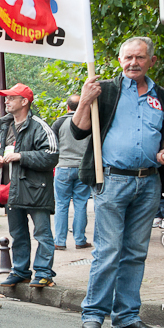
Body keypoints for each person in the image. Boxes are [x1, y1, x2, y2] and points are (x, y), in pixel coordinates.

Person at [73, 36, 164, 328]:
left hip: (148, 183)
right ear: (120, 60)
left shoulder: (163, 96)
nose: (133, 63)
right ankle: (93, 312)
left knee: (135, 252)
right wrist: (84, 100)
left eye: (140, 57)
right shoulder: (105, 90)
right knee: (108, 250)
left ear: (151, 61)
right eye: (128, 57)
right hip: (112, 180)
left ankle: (126, 315)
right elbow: (78, 131)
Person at [0, 83, 59, 289]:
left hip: (36, 191)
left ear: (25, 101)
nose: (6, 101)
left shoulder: (39, 126)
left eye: (11, 97)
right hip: (11, 191)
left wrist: (21, 156)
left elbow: (52, 155)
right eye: (6, 98)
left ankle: (44, 273)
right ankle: (20, 272)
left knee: (42, 234)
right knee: (17, 234)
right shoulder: (4, 127)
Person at [50, 95, 93, 249]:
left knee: (61, 204)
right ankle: (80, 240)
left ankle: (59, 241)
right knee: (81, 204)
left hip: (63, 167)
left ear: (67, 107)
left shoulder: (59, 122)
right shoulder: (89, 121)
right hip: (83, 167)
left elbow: (52, 146)